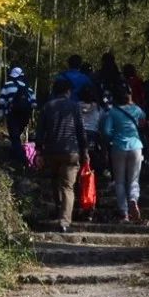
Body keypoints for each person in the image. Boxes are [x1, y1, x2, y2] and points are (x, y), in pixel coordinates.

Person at [36, 77, 89, 232]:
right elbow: (80, 131)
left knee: (54, 181)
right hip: (71, 151)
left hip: (51, 151)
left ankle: (59, 209)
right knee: (67, 186)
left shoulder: (47, 107)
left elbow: (40, 131)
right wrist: (85, 151)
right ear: (68, 91)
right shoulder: (74, 107)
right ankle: (64, 221)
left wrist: (39, 150)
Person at [101, 84, 147, 222]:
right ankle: (133, 199)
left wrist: (112, 139)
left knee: (120, 181)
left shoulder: (112, 112)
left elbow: (106, 131)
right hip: (136, 147)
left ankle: (124, 213)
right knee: (133, 180)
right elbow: (143, 122)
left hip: (118, 147)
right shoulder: (136, 109)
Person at [0, 66, 35, 165]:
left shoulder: (8, 85)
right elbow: (34, 103)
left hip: (12, 115)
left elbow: (1, 100)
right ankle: (15, 156)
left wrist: (0, 114)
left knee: (14, 137)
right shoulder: (28, 88)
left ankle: (22, 160)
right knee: (16, 136)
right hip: (25, 116)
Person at [78, 86, 107, 182]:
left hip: (78, 134)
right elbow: (102, 123)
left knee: (80, 156)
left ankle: (80, 178)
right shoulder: (98, 108)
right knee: (92, 156)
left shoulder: (76, 106)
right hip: (92, 135)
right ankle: (92, 178)